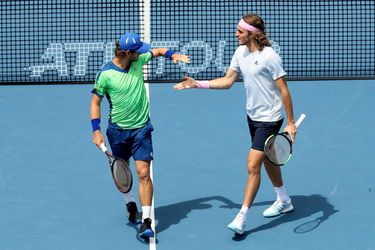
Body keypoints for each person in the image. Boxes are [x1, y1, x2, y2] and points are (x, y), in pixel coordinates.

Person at [173, 14, 297, 235]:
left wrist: (290, 122)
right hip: (253, 116)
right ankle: (284, 199)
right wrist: (197, 84)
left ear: (253, 33)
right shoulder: (240, 52)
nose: (235, 34)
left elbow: (284, 90)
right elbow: (228, 81)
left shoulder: (270, 57)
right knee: (269, 159)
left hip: (270, 118)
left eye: (240, 31)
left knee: (252, 166)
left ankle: (242, 217)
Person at [90, 32, 189, 239]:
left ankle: (146, 221)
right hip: (117, 131)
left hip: (141, 130)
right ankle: (130, 203)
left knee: (143, 173)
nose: (142, 54)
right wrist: (96, 131)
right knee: (122, 171)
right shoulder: (105, 74)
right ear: (127, 53)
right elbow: (95, 102)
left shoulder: (138, 60)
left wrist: (173, 55)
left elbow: (160, 51)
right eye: (138, 51)